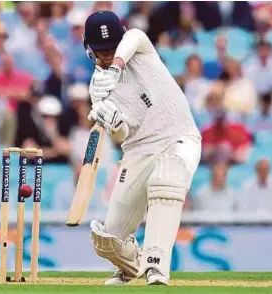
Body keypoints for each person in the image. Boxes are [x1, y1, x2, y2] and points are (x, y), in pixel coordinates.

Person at [83, 11, 201, 285]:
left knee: (166, 180)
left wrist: (116, 67)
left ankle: (156, 267)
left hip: (178, 138)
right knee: (107, 239)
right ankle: (131, 266)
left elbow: (133, 38)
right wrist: (113, 122)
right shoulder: (97, 90)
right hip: (137, 151)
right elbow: (122, 134)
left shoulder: (139, 46)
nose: (109, 54)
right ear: (89, 50)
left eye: (113, 47)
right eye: (102, 52)